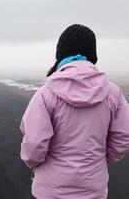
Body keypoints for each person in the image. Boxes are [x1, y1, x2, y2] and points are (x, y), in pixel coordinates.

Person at [19, 24, 129, 199]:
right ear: (93, 55)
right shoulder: (113, 93)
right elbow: (123, 137)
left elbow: (34, 143)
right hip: (94, 189)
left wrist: (33, 163)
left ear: (61, 53)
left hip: (50, 190)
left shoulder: (46, 93)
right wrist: (98, 159)